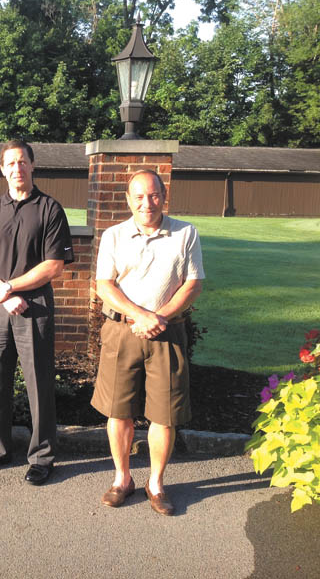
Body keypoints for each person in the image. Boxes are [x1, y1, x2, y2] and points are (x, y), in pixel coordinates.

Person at [91, 169, 205, 515]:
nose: (147, 203)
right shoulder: (113, 236)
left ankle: (155, 483)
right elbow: (105, 284)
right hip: (122, 332)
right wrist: (141, 315)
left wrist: (161, 317)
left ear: (164, 196)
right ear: (128, 200)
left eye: (153, 195)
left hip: (167, 334)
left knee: (165, 414)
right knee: (118, 411)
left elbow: (192, 283)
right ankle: (122, 478)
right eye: (138, 196)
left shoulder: (185, 232)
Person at [0, 139, 73, 486]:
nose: (17, 168)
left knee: (38, 382)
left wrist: (11, 288)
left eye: (22, 162)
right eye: (10, 163)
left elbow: (54, 265)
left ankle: (42, 456)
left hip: (35, 308)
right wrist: (1, 293)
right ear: (2, 170)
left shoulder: (49, 209)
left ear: (32, 165)